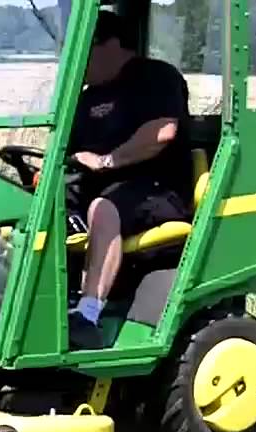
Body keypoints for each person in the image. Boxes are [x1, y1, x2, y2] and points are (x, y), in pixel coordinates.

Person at [66, 10, 194, 350]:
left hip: (158, 188)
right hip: (101, 186)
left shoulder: (155, 78)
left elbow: (162, 133)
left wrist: (108, 160)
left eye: (83, 50)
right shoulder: (88, 96)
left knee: (104, 208)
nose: (77, 62)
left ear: (110, 45)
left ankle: (88, 314)